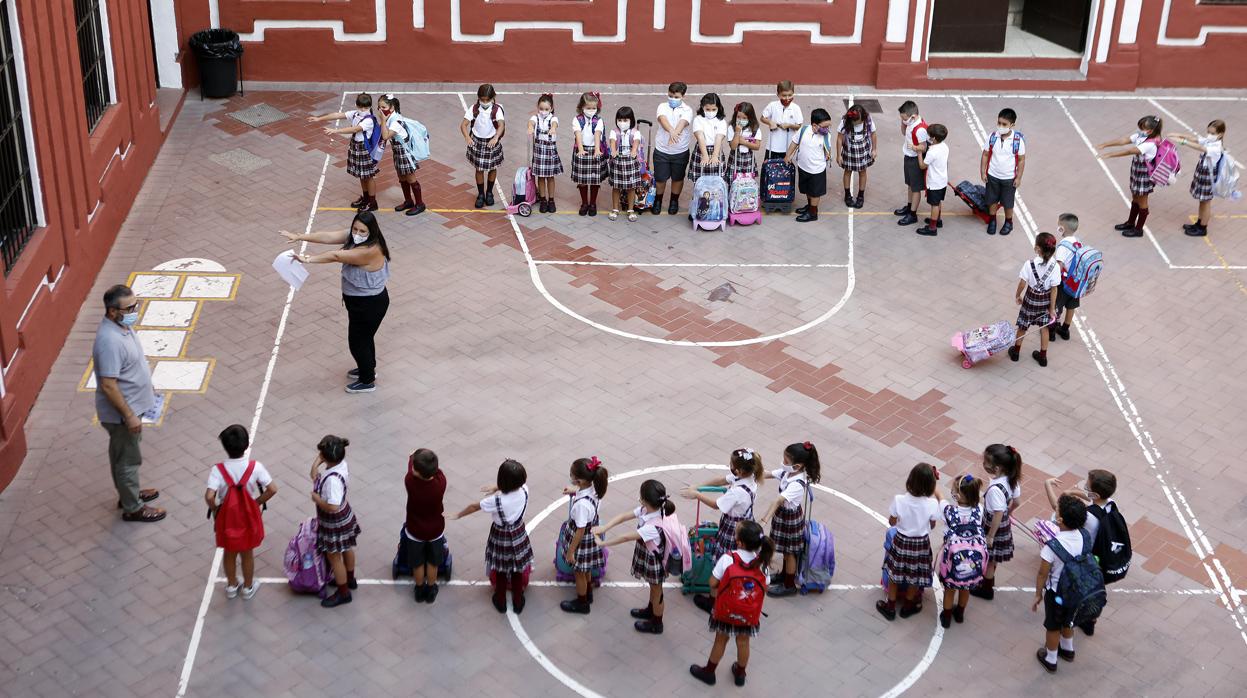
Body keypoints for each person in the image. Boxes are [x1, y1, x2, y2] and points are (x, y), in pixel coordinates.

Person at [283, 211, 391, 393]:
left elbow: (336, 256)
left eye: (362, 231)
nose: (357, 234)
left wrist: (308, 259)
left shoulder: (369, 250)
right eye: (355, 229)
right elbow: (328, 236)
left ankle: (367, 381)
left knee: (358, 342)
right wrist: (300, 237)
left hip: (368, 305)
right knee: (364, 338)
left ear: (371, 231)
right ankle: (367, 369)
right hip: (361, 302)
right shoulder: (357, 237)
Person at [93, 284, 165, 522]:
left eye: (136, 304)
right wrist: (129, 415)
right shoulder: (109, 341)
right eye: (130, 307)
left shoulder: (122, 327)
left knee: (121, 455)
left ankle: (128, 494)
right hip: (123, 415)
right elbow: (108, 384)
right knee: (128, 460)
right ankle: (133, 507)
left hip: (133, 406)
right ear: (113, 311)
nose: (136, 310)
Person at [688, 520, 773, 687]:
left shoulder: (728, 558)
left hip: (726, 610)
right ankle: (740, 674)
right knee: (743, 642)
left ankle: (709, 672)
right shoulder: (762, 563)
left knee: (721, 640)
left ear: (739, 542)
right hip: (749, 613)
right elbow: (766, 587)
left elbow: (712, 582)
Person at [682, 448, 764, 612]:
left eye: (732, 465)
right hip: (744, 523)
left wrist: (696, 494)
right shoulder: (749, 478)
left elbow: (716, 505)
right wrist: (699, 486)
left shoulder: (737, 492)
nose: (730, 467)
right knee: (737, 559)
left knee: (721, 561)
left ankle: (714, 602)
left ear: (739, 470)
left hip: (733, 528)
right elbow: (722, 479)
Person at [1043, 469, 1122, 635]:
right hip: (1103, 557)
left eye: (1086, 487)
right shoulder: (1110, 503)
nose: (1084, 489)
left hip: (1087, 558)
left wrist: (1048, 486)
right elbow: (1091, 499)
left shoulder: (1089, 518)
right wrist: (1074, 492)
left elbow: (1058, 509)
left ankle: (1076, 617)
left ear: (1095, 494)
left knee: (1081, 589)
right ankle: (1090, 621)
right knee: (1094, 588)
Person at [452, 459, 535, 614]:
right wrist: (498, 487)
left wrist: (458, 515)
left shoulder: (496, 501)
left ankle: (501, 600)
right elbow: (518, 484)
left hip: (500, 536)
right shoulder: (525, 490)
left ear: (501, 480)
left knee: (500, 569)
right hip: (518, 533)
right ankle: (518, 601)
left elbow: (474, 506)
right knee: (517, 569)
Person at [596, 479, 677, 634]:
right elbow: (624, 516)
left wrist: (603, 544)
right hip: (650, 554)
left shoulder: (653, 526)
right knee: (653, 587)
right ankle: (651, 610)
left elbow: (626, 537)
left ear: (644, 500)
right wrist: (605, 527)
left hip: (655, 560)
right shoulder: (648, 510)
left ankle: (656, 623)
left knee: (656, 588)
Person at [204, 424, 276, 600]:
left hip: (227, 518)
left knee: (229, 552)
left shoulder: (218, 470)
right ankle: (248, 587)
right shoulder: (255, 467)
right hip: (248, 518)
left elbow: (209, 496)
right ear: (246, 445)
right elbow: (272, 489)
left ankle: (231, 585)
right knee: (247, 553)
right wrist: (256, 503)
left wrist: (215, 509)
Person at [876, 463, 941, 621]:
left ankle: (890, 606)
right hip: (921, 543)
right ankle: (908, 606)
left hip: (901, 542)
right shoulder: (932, 503)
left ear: (910, 480)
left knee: (894, 574)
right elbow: (932, 524)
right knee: (915, 576)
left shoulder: (899, 500)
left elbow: (892, 521)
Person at [1032, 495, 1089, 673]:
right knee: (1069, 621)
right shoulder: (1085, 536)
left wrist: (1038, 594)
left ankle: (1050, 658)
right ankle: (1068, 649)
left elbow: (1042, 573)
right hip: (1078, 591)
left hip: (1057, 594)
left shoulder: (1052, 546)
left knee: (1053, 626)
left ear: (1060, 520)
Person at [759, 441, 821, 596]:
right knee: (786, 550)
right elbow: (769, 474)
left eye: (786, 461)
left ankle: (789, 585)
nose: (783, 463)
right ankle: (784, 575)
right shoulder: (787, 473)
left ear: (798, 466)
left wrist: (765, 518)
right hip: (783, 515)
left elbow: (778, 500)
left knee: (789, 552)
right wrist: (753, 473)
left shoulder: (797, 484)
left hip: (790, 519)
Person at [311, 435, 362, 608]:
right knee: (347, 547)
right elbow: (314, 472)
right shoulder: (341, 465)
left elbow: (332, 506)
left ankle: (343, 593)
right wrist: (319, 460)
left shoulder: (332, 481)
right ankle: (350, 579)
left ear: (326, 457)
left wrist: (317, 499)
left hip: (333, 521)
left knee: (334, 558)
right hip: (345, 516)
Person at [307, 92, 381, 211]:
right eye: (361, 107)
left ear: (370, 106)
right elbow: (337, 115)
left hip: (364, 149)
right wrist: (319, 118)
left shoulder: (369, 120)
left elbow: (355, 128)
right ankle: (366, 198)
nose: (363, 109)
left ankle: (372, 203)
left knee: (369, 176)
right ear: (356, 105)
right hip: (356, 146)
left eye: (366, 107)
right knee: (362, 175)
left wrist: (336, 131)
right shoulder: (355, 114)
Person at [1096, 115, 1164, 238]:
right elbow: (1124, 140)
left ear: (1151, 130)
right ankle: (1131, 222)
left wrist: (1110, 155)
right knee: (1135, 196)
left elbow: (1129, 151)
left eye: (1143, 128)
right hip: (1137, 171)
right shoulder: (1142, 136)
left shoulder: (1150, 144)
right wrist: (1106, 144)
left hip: (1144, 174)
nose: (1140, 130)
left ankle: (1138, 229)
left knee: (1142, 200)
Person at [971, 444, 1023, 600]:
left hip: (993, 527)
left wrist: (991, 536)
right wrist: (1010, 512)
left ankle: (986, 589)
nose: (984, 464)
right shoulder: (1011, 479)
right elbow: (1017, 501)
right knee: (993, 559)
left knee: (990, 559)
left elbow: (998, 513)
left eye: (986, 461)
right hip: (1002, 525)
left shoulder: (995, 490)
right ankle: (986, 583)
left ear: (998, 468)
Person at [558, 456, 609, 614]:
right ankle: (588, 594)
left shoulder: (582, 506)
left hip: (581, 540)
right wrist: (574, 491)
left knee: (579, 572)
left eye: (572, 475)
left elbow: (579, 530)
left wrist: (571, 551)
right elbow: (584, 492)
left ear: (579, 480)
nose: (570, 477)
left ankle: (582, 603)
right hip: (590, 537)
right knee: (585, 568)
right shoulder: (594, 490)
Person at [937, 474, 985, 628]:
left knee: (950, 589)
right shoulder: (979, 509)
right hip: (972, 561)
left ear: (957, 495)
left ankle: (946, 616)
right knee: (965, 588)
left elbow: (939, 496)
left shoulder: (950, 511)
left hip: (953, 560)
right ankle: (960, 613)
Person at [1009, 232, 1060, 367]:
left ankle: (1016, 352)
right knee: (1044, 328)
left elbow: (1022, 283)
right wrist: (1052, 308)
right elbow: (1054, 289)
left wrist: (1017, 295)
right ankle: (1043, 357)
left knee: (1023, 325)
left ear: (1037, 249)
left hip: (1030, 299)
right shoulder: (1055, 266)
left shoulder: (1029, 264)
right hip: (1045, 301)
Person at [404, 448, 447, 604]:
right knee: (432, 562)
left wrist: (412, 457)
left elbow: (411, 467)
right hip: (435, 530)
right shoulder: (441, 483)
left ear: (417, 472)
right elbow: (437, 471)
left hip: (414, 530)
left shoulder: (409, 481)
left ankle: (419, 588)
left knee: (417, 563)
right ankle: (431, 588)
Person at [1170, 120, 1226, 237]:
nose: (1209, 135)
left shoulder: (1216, 147)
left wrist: (1183, 141)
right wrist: (1179, 135)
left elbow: (1200, 148)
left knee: (1205, 201)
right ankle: (1199, 223)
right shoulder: (1211, 141)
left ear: (1220, 134)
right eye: (1208, 132)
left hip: (1208, 175)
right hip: (1202, 172)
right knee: (1202, 200)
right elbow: (1197, 139)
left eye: (1212, 133)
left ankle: (1202, 228)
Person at [377, 94, 425, 216]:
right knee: (402, 177)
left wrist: (382, 120)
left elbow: (385, 136)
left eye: (383, 107)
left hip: (404, 153)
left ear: (391, 108)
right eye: (379, 107)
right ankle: (408, 201)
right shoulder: (390, 118)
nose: (380, 110)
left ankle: (420, 204)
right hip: (397, 152)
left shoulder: (396, 120)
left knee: (410, 178)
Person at [980, 108, 1026, 236]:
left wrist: (1019, 178)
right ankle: (992, 220)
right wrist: (983, 172)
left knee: (1008, 202)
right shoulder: (992, 137)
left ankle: (1008, 222)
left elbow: (1021, 160)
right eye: (999, 123)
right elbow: (985, 154)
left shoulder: (1018, 141)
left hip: (1009, 178)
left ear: (1012, 125)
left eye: (1004, 124)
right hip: (992, 175)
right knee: (992, 200)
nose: (1001, 126)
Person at [461, 83, 506, 209]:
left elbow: (501, 124)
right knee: (479, 169)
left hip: (491, 141)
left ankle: (489, 192)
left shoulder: (497, 110)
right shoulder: (474, 109)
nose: (484, 102)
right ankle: (481, 194)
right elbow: (463, 125)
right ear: (478, 98)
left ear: (493, 97)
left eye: (487, 100)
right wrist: (467, 137)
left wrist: (496, 137)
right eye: (482, 100)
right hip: (477, 141)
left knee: (492, 167)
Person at [785, 109, 834, 223]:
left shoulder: (826, 136)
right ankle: (809, 205)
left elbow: (828, 149)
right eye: (824, 126)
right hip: (803, 166)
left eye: (828, 126)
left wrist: (828, 155)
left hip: (817, 170)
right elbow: (794, 143)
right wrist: (788, 155)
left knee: (815, 192)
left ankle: (813, 213)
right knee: (807, 189)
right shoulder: (803, 130)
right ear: (814, 125)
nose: (826, 129)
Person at [653, 82, 694, 215]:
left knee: (677, 178)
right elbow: (662, 119)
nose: (673, 99)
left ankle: (673, 201)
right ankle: (658, 200)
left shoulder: (687, 110)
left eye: (676, 97)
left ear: (683, 96)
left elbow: (683, 123)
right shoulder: (662, 106)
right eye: (671, 96)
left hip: (680, 151)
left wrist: (675, 132)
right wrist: (672, 131)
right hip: (661, 150)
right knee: (660, 179)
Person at [570, 91, 607, 217]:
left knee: (595, 180)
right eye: (588, 108)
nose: (591, 110)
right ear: (581, 107)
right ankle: (584, 203)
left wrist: (597, 149)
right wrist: (580, 149)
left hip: (594, 150)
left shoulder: (599, 121)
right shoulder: (577, 120)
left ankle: (593, 203)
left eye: (594, 108)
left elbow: (597, 134)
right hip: (582, 150)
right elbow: (578, 134)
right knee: (582, 180)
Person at [894, 101, 929, 226]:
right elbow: (904, 133)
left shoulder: (920, 130)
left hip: (915, 159)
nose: (904, 121)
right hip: (908, 157)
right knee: (909, 185)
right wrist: (903, 122)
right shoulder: (910, 122)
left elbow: (923, 147)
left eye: (905, 118)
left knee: (915, 189)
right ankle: (909, 207)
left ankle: (913, 214)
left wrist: (914, 147)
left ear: (913, 117)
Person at [836, 104, 877, 209]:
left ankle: (861, 196)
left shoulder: (867, 120)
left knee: (862, 172)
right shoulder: (845, 121)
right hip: (849, 149)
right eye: (854, 123)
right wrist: (838, 155)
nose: (856, 124)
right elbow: (839, 138)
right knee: (847, 171)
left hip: (863, 148)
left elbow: (873, 134)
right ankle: (847, 195)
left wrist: (874, 149)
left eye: (858, 123)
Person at [528, 93, 564, 213]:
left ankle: (551, 200)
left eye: (546, 109)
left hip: (549, 151)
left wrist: (553, 128)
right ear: (538, 108)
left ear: (551, 109)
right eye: (541, 109)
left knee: (550, 177)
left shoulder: (553, 118)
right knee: (541, 177)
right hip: (539, 151)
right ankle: (543, 199)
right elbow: (531, 122)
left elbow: (554, 124)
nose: (543, 111)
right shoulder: (536, 118)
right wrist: (530, 127)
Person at [1049, 213, 1082, 342]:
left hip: (1064, 282)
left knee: (1056, 306)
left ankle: (1051, 331)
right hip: (1076, 280)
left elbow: (1059, 266)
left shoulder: (1063, 246)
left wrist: (1053, 282)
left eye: (1058, 225)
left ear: (1062, 228)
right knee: (1071, 306)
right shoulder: (1077, 241)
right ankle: (1065, 329)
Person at [607, 106, 644, 222]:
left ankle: (630, 209)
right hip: (618, 161)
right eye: (620, 120)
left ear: (631, 120)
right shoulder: (614, 132)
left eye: (625, 120)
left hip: (631, 162)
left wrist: (633, 151)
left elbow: (636, 143)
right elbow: (612, 142)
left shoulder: (635, 132)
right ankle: (615, 208)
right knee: (616, 186)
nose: (622, 123)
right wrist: (613, 151)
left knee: (631, 187)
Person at [688, 93, 728, 191]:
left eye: (714, 109)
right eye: (708, 109)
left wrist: (715, 155)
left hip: (716, 150)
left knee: (716, 182)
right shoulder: (698, 119)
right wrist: (705, 155)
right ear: (702, 107)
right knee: (700, 182)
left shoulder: (721, 121)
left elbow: (719, 138)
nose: (711, 112)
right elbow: (700, 137)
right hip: (701, 150)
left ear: (718, 108)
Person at [916, 124, 950, 237]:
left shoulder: (932, 152)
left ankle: (932, 228)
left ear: (934, 138)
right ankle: (937, 220)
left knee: (934, 204)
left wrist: (919, 152)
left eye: (930, 136)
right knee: (938, 201)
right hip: (942, 180)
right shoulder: (945, 146)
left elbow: (922, 166)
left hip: (934, 182)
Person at [759, 81, 801, 162]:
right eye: (784, 95)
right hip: (772, 145)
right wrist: (770, 122)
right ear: (778, 94)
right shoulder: (772, 105)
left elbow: (799, 125)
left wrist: (789, 125)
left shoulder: (796, 108)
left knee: (786, 169)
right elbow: (762, 118)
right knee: (769, 168)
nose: (787, 98)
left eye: (790, 95)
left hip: (788, 146)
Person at [726, 102, 761, 178]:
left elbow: (757, 146)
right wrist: (737, 132)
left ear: (750, 118)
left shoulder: (754, 129)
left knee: (747, 183)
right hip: (735, 160)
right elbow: (733, 147)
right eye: (738, 117)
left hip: (748, 161)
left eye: (744, 118)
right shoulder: (732, 128)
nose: (741, 120)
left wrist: (744, 142)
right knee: (733, 181)